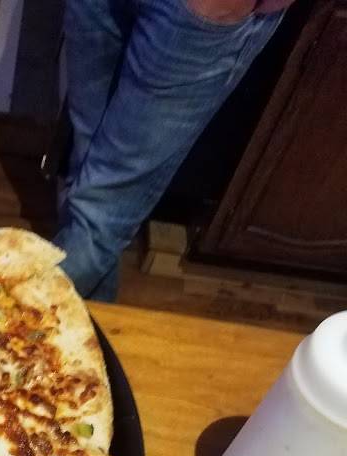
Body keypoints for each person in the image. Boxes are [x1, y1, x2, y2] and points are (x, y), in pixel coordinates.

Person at [55, 0, 296, 301]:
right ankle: (90, 318)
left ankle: (23, 319)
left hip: (198, 12)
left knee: (98, 218)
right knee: (85, 172)